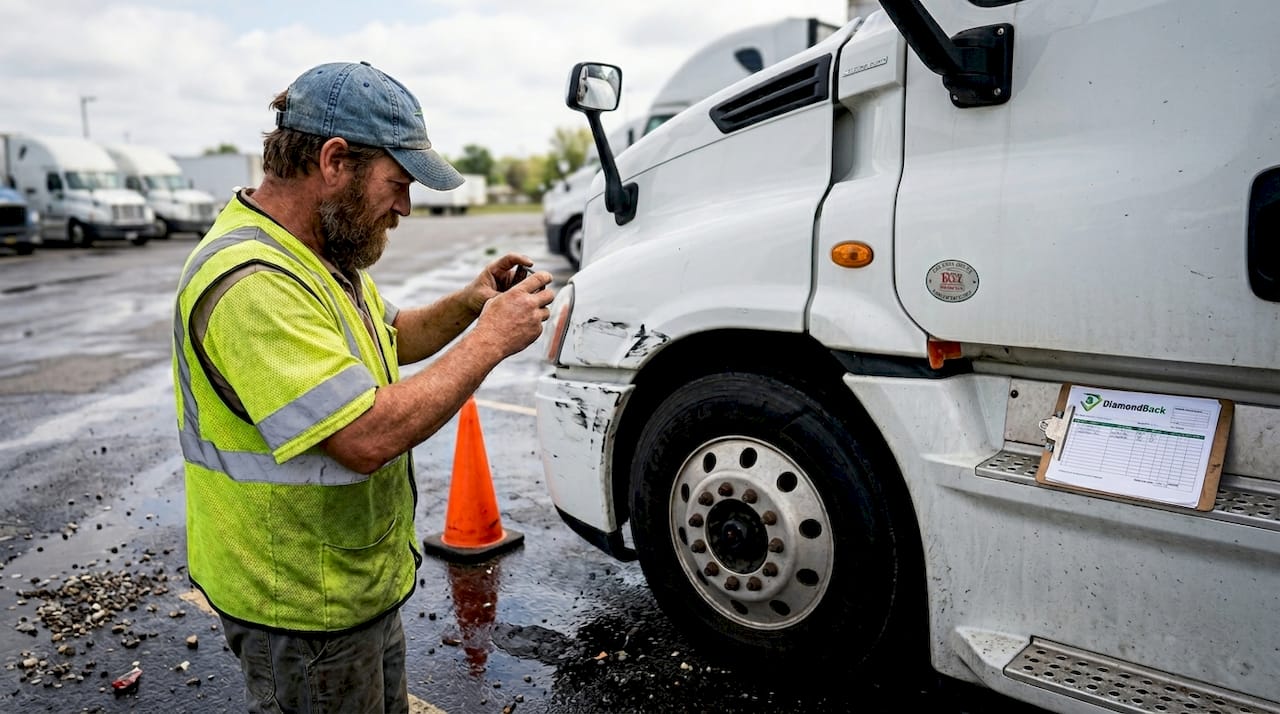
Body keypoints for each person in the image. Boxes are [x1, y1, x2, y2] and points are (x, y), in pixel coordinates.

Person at [170, 60, 554, 713]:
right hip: (297, 605)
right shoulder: (252, 281)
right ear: (334, 160)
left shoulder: (319, 253)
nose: (404, 206)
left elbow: (391, 335)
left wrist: (469, 304)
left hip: (348, 588)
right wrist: (491, 340)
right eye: (397, 183)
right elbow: (363, 435)